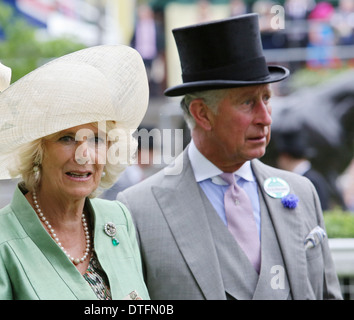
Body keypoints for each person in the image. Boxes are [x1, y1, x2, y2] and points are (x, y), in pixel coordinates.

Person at [117, 14, 342, 300]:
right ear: (202, 113)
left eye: (267, 98)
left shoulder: (302, 193)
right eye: (248, 102)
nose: (266, 118)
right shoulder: (138, 210)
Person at [0, 45, 150, 300]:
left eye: (96, 139)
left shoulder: (118, 220)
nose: (84, 153)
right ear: (37, 152)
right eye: (66, 138)